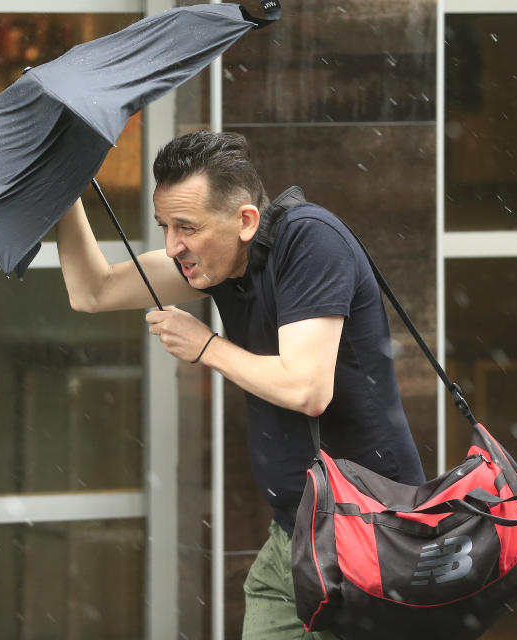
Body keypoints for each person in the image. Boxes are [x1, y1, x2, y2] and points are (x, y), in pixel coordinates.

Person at [56, 131, 425, 639]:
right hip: (294, 535)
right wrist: (63, 187)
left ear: (246, 220)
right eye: (165, 226)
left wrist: (206, 346)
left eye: (186, 227)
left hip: (367, 533)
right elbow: (91, 290)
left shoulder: (309, 241)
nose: (172, 246)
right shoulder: (218, 260)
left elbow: (307, 389)